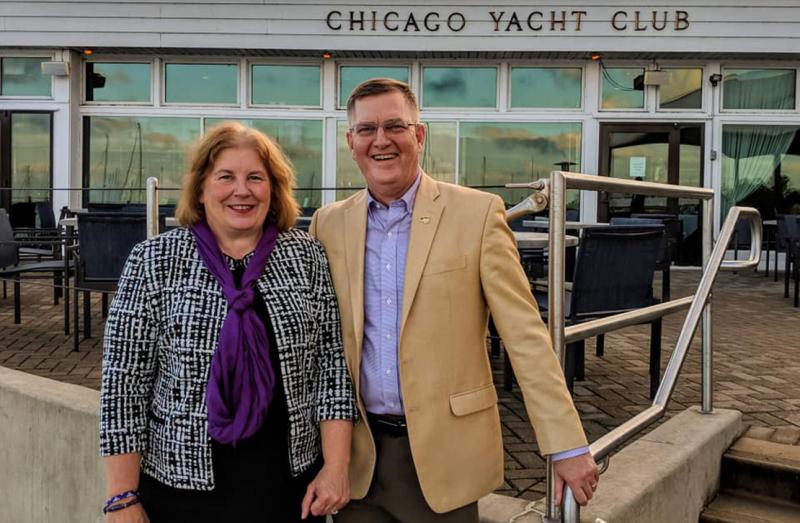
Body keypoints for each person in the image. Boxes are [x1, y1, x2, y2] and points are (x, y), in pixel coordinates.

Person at [310, 79, 599, 522]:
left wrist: (567, 443)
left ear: (419, 136)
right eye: (366, 130)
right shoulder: (327, 225)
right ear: (350, 143)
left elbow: (524, 337)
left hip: (444, 457)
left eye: (395, 126)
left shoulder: (478, 214)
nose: (380, 140)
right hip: (357, 458)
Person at [99, 122, 357, 522]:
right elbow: (123, 386)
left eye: (255, 177)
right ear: (201, 189)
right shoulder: (154, 261)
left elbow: (332, 371)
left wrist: (336, 469)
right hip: (180, 490)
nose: (242, 190)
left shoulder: (307, 257)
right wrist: (122, 498)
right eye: (226, 177)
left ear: (273, 189)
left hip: (289, 489)